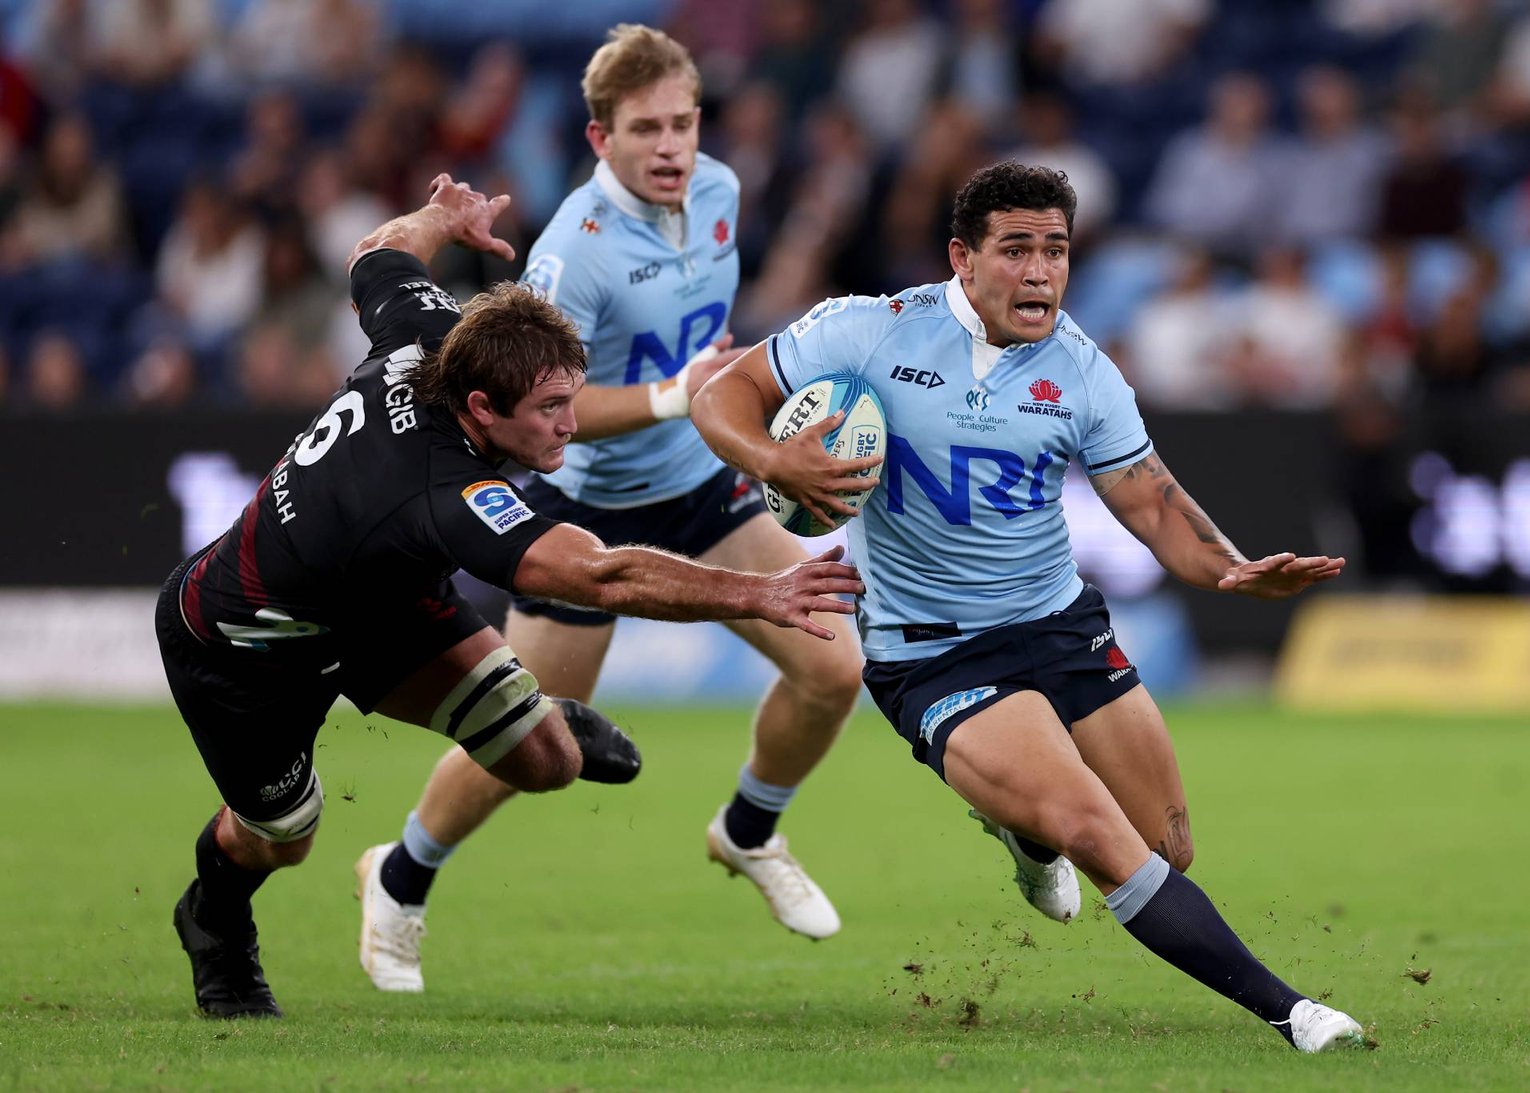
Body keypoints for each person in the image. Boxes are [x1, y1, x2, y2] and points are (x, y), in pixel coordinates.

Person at [689, 160, 1368, 1053]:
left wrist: (1233, 570)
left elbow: (1154, 503)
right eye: (1017, 250)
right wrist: (776, 464)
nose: (1041, 270)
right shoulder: (870, 330)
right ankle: (1294, 1011)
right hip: (935, 654)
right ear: (962, 260)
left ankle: (1024, 837)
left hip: (1060, 626)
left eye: (1056, 249)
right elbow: (720, 394)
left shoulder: (1083, 369)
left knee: (1167, 849)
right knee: (1095, 829)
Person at [159, 174, 863, 1019]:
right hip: (248, 642)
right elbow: (602, 573)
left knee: (547, 762)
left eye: (573, 396)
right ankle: (215, 919)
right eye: (552, 410)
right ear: (485, 409)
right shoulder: (444, 493)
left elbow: (375, 253)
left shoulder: (439, 338)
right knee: (285, 835)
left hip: (377, 606)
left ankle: (544, 719)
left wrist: (440, 218)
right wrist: (762, 591)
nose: (571, 425)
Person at [353, 24, 864, 994]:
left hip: (700, 488)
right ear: (599, 140)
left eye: (683, 122)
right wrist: (676, 395)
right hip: (582, 509)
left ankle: (748, 829)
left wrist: (736, 414)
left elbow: (705, 346)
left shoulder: (720, 190)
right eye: (645, 130)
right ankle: (399, 873)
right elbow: (549, 409)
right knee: (524, 741)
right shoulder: (570, 255)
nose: (671, 146)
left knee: (835, 665)